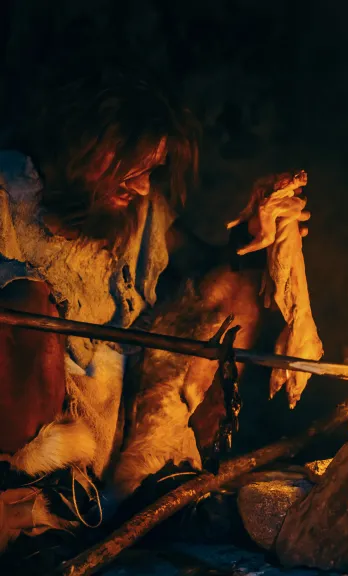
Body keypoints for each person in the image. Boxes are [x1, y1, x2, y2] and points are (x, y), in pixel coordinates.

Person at [0, 73, 318, 558]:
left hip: (114, 416)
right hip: (32, 422)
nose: (145, 185)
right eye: (133, 169)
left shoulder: (140, 215)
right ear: (91, 150)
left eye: (153, 169)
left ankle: (153, 478)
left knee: (231, 290)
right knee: (26, 304)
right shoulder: (9, 194)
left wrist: (254, 235)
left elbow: (196, 274)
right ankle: (30, 502)